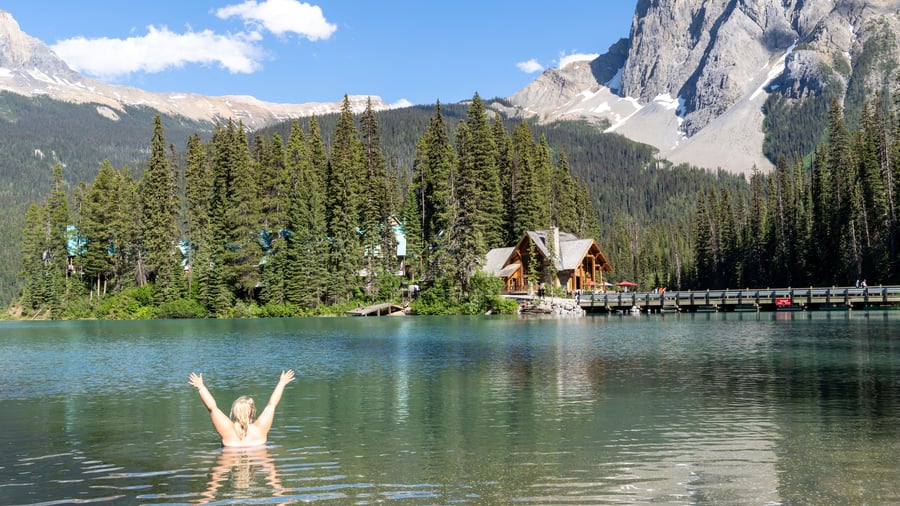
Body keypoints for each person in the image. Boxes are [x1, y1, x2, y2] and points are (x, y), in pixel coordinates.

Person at [188, 370, 295, 448]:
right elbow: (271, 405)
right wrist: (281, 383)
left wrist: (201, 387)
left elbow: (212, 408)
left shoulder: (227, 431)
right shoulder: (260, 429)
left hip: (228, 460)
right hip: (259, 457)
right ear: (252, 412)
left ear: (234, 412)